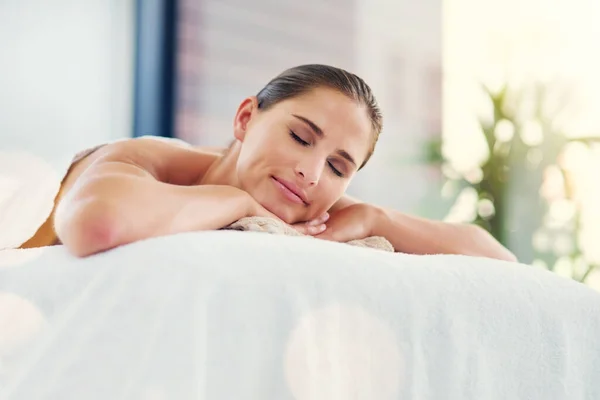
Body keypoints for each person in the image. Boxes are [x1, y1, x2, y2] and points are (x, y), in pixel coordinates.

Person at [21, 64, 517, 261]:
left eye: (340, 168)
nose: (313, 172)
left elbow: (498, 259)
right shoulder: (145, 160)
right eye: (301, 137)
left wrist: (374, 216)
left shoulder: (309, 197)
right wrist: (235, 201)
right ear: (244, 118)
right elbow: (95, 223)